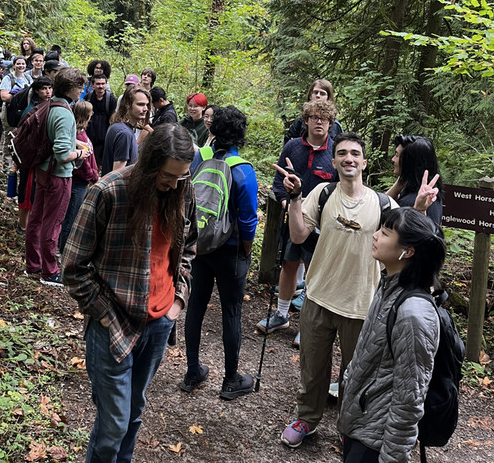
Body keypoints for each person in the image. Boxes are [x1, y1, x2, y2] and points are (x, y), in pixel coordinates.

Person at [279, 133, 438, 448]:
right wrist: (296, 197)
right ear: (334, 161)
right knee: (312, 368)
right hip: (318, 297)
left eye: (354, 153)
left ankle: (348, 429)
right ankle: (307, 419)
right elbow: (298, 237)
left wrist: (418, 209)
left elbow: (408, 240)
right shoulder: (322, 194)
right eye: (341, 153)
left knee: (357, 376)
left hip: (363, 305)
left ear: (364, 162)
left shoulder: (382, 203)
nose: (348, 158)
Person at [62, 124, 198, 463]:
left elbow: (188, 249)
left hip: (159, 324)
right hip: (113, 327)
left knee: (134, 413)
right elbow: (73, 268)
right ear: (150, 163)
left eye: (182, 177)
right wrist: (106, 315)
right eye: (168, 175)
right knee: (113, 426)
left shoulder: (183, 189)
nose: (174, 184)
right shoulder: (108, 192)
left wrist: (178, 300)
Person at [339, 208, 445, 462]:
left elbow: (410, 399)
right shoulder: (389, 284)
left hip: (377, 442)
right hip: (361, 422)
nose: (374, 236)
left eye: (385, 233)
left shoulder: (413, 314)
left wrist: (393, 457)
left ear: (407, 252)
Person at [181, 106, 258, 400]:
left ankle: (192, 372)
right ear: (241, 135)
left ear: (212, 130)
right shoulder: (243, 169)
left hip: (200, 245)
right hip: (230, 250)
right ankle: (230, 380)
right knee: (231, 311)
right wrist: (245, 251)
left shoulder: (200, 158)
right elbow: (248, 219)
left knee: (196, 304)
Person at [257, 100, 337, 337]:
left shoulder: (335, 151)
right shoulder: (292, 147)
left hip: (322, 225)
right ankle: (281, 315)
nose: (319, 121)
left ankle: (307, 323)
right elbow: (277, 184)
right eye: (314, 117)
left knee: (315, 271)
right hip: (293, 218)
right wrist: (289, 204)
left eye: (324, 118)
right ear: (306, 120)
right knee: (289, 265)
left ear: (331, 123)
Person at [24, 67, 89, 286]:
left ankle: (33, 265)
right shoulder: (64, 113)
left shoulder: (51, 104)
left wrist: (75, 142)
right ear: (70, 88)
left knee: (36, 218)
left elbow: (53, 140)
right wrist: (82, 152)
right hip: (58, 176)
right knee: (53, 223)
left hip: (43, 170)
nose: (82, 90)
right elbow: (62, 155)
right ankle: (50, 271)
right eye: (79, 86)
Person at [58, 100, 98, 254]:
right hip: (78, 182)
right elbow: (83, 163)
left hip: (82, 181)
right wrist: (93, 176)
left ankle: (62, 246)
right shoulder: (77, 135)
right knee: (71, 217)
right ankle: (64, 250)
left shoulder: (81, 132)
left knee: (71, 215)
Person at [16, 76, 54, 231]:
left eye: (50, 88)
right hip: (30, 158)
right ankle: (23, 225)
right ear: (37, 91)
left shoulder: (52, 107)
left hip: (43, 158)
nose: (47, 92)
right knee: (26, 191)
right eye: (44, 89)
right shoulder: (31, 110)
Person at [388, 134, 443, 225]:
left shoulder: (410, 203)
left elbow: (378, 215)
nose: (393, 159)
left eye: (397, 155)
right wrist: (399, 183)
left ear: (408, 163)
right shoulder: (432, 196)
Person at [100, 88, 150, 176]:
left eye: (147, 105)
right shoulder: (124, 134)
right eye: (140, 104)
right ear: (128, 105)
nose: (145, 109)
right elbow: (118, 175)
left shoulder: (117, 126)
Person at [85, 73, 117, 168]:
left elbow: (113, 117)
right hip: (90, 134)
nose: (100, 86)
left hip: (105, 134)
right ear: (92, 85)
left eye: (103, 84)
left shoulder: (110, 99)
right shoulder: (89, 97)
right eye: (98, 84)